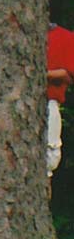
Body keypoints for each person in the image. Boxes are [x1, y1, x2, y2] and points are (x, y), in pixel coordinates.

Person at [46, 22, 74, 178]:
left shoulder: (65, 37)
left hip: (49, 101)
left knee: (50, 154)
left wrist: (44, 74)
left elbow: (67, 75)